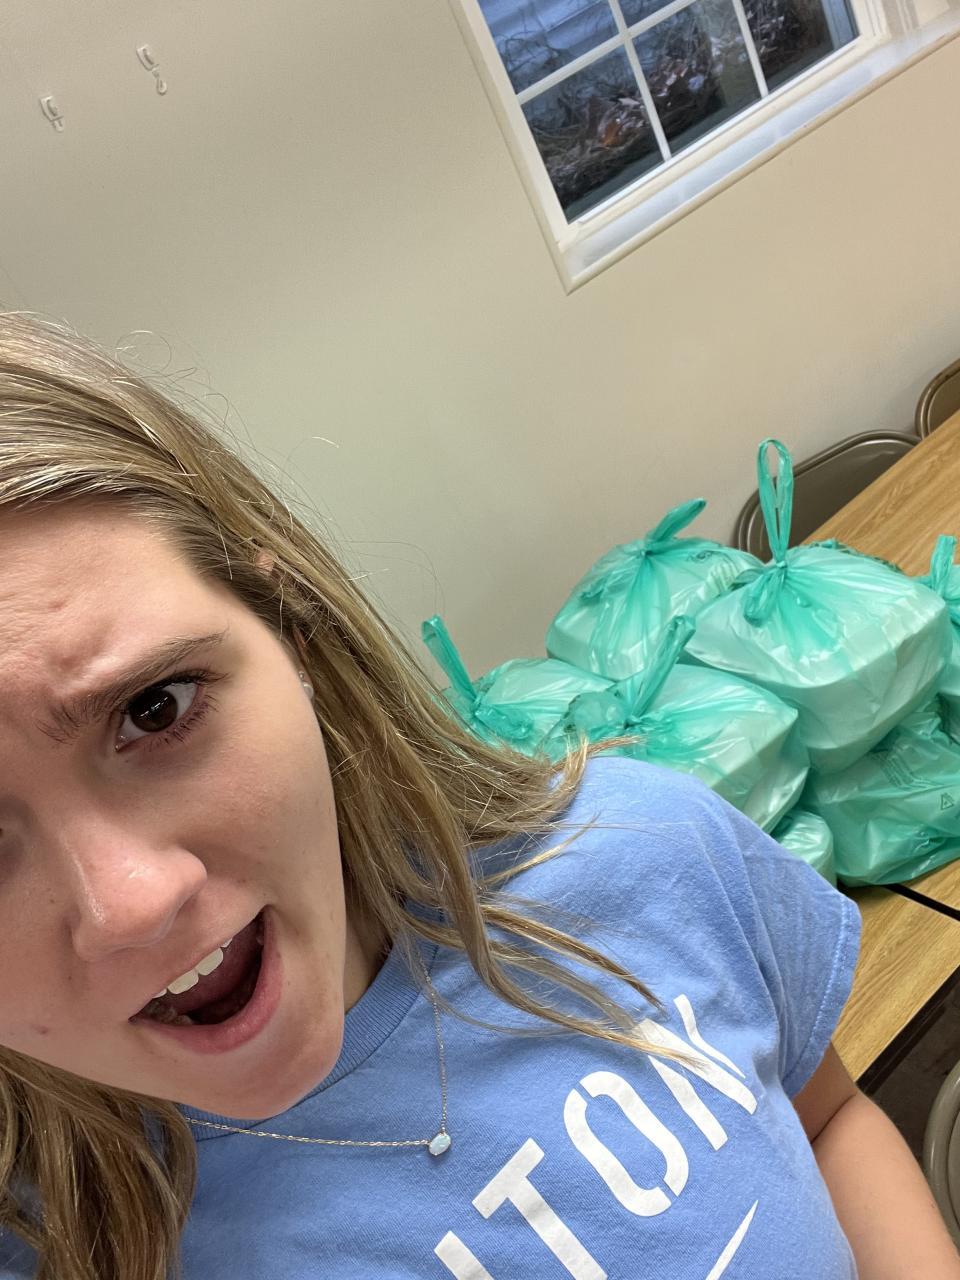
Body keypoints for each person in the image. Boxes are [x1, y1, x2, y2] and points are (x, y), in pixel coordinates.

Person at [0, 313, 955, 1280]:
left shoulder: (639, 846)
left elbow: (826, 1117)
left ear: (292, 630)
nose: (132, 904)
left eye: (155, 708)